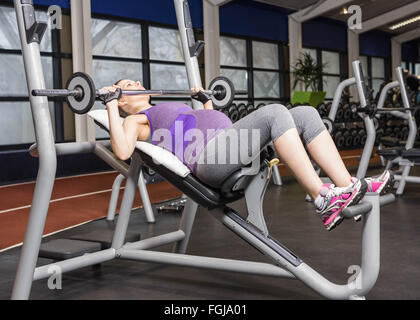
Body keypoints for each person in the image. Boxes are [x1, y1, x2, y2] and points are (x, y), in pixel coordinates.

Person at [100, 80, 391, 231]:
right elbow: (123, 150)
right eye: (129, 83)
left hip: (221, 147)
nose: (138, 82)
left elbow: (207, 123)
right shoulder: (134, 119)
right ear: (122, 98)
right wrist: (111, 105)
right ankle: (321, 198)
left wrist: (207, 102)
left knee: (306, 113)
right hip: (207, 160)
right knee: (275, 113)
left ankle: (347, 186)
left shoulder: (167, 107)